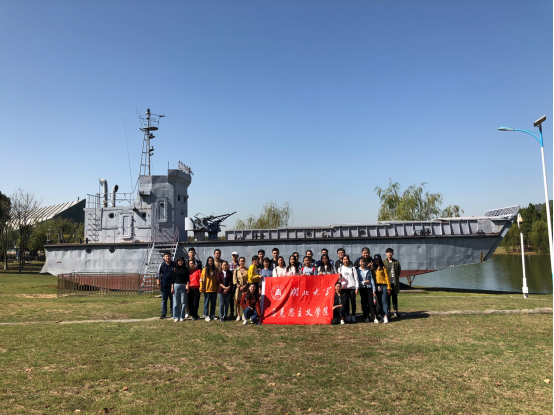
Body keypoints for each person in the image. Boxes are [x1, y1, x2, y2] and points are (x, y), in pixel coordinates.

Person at [338, 254, 358, 323]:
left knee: (353, 302)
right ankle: (347, 315)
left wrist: (357, 288)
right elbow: (339, 280)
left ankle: (353, 315)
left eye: (346, 259)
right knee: (345, 303)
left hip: (352, 287)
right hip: (344, 288)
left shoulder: (352, 268)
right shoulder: (340, 268)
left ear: (349, 260)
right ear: (342, 260)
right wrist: (339, 276)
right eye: (344, 259)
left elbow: (356, 278)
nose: (345, 261)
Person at [357, 258, 378, 323]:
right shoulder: (357, 271)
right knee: (364, 302)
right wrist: (363, 282)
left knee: (371, 303)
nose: (362, 263)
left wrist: (373, 289)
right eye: (361, 262)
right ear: (359, 263)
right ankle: (366, 316)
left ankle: (374, 317)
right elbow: (357, 281)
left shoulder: (368, 270)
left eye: (363, 262)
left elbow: (371, 280)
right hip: (362, 288)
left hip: (369, 288)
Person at [372, 254, 392, 324]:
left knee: (384, 301)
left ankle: (386, 316)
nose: (377, 261)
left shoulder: (383, 267)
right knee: (379, 302)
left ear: (380, 260)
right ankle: (382, 316)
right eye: (375, 260)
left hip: (383, 285)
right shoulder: (373, 268)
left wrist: (389, 287)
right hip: (377, 286)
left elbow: (387, 277)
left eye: (378, 260)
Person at [383, 248, 402, 319]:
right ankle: (388, 311)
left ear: (393, 253)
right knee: (387, 297)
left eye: (391, 252)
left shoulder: (396, 262)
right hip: (387, 283)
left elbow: (399, 271)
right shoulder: (384, 262)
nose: (389, 254)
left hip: (394, 282)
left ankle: (395, 310)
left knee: (394, 297)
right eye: (388, 252)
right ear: (386, 253)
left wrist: (395, 278)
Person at [171, 256, 190, 322]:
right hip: (176, 286)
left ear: (183, 261)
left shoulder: (186, 269)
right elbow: (173, 279)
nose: (180, 262)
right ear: (177, 262)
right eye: (179, 261)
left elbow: (187, 279)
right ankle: (176, 316)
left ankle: (182, 316)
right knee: (176, 302)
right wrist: (172, 287)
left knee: (183, 302)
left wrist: (188, 286)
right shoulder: (175, 269)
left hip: (183, 286)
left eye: (181, 261)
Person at [157, 252, 175, 319]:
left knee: (172, 300)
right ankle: (164, 313)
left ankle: (173, 313)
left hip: (172, 286)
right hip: (164, 285)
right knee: (164, 300)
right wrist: (158, 283)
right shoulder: (161, 265)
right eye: (166, 256)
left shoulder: (174, 264)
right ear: (164, 257)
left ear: (171, 257)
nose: (168, 258)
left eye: (169, 256)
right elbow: (158, 274)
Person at [199, 256, 218, 321]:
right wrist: (202, 287)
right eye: (209, 261)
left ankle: (212, 314)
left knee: (213, 303)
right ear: (207, 262)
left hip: (214, 289)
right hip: (207, 289)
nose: (210, 262)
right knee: (206, 303)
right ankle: (206, 315)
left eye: (211, 261)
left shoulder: (215, 269)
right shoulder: (205, 269)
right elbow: (201, 279)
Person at [233, 256, 249, 321]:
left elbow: (248, 279)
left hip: (245, 288)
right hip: (238, 289)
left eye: (243, 261)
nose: (242, 262)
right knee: (238, 302)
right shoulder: (236, 270)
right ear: (239, 262)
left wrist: (244, 286)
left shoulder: (247, 270)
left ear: (244, 262)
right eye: (241, 261)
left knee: (244, 302)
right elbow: (234, 279)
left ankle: (243, 315)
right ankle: (238, 315)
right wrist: (238, 285)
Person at [227, 252, 240, 320]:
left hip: (238, 284)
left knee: (238, 298)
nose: (234, 257)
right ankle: (231, 312)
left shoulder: (240, 264)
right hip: (231, 284)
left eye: (235, 256)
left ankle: (238, 313)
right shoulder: (229, 265)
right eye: (233, 256)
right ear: (232, 256)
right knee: (231, 299)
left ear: (238, 256)